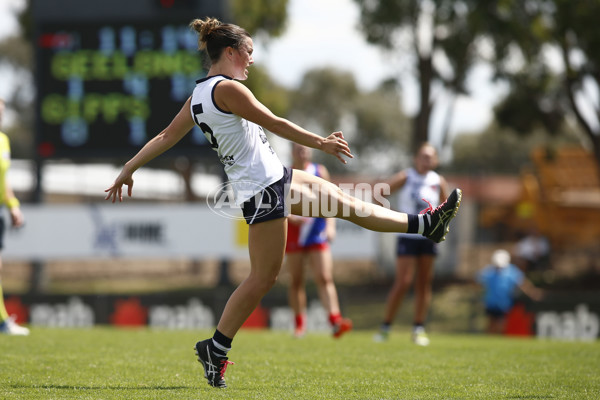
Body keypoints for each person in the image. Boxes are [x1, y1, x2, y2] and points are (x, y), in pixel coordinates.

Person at [104, 17, 462, 389]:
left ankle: (425, 225)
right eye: (248, 52)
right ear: (230, 52)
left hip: (272, 178)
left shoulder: (197, 96)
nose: (251, 60)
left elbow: (164, 135)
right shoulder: (227, 89)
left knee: (342, 203)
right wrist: (320, 142)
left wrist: (128, 168)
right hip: (262, 188)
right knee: (263, 277)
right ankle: (215, 347)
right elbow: (274, 122)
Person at [373, 143, 449, 346]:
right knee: (403, 282)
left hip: (428, 237)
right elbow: (378, 193)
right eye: (422, 156)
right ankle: (386, 327)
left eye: (430, 157)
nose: (426, 160)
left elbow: (446, 207)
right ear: (416, 159)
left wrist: (439, 225)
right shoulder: (406, 176)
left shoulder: (437, 180)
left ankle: (419, 328)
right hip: (408, 235)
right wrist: (395, 215)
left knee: (424, 282)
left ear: (436, 160)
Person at [285, 143, 352, 339]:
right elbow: (278, 203)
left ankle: (335, 321)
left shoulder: (319, 171)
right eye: (298, 148)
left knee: (324, 277)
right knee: (296, 280)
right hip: (295, 232)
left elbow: (331, 200)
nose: (302, 151)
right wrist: (291, 217)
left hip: (316, 230)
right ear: (292, 152)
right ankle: (299, 325)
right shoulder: (285, 173)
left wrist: (330, 226)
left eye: (305, 148)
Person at [0, 98, 28, 336]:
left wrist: (13, 205)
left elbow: (3, 180)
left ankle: (1, 322)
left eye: (2, 111)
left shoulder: (3, 140)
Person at [478, 249, 543, 335]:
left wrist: (532, 293)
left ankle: (497, 340)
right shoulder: (488, 271)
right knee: (491, 323)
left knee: (502, 323)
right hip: (491, 303)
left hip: (504, 303)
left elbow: (522, 284)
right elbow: (479, 282)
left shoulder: (512, 271)